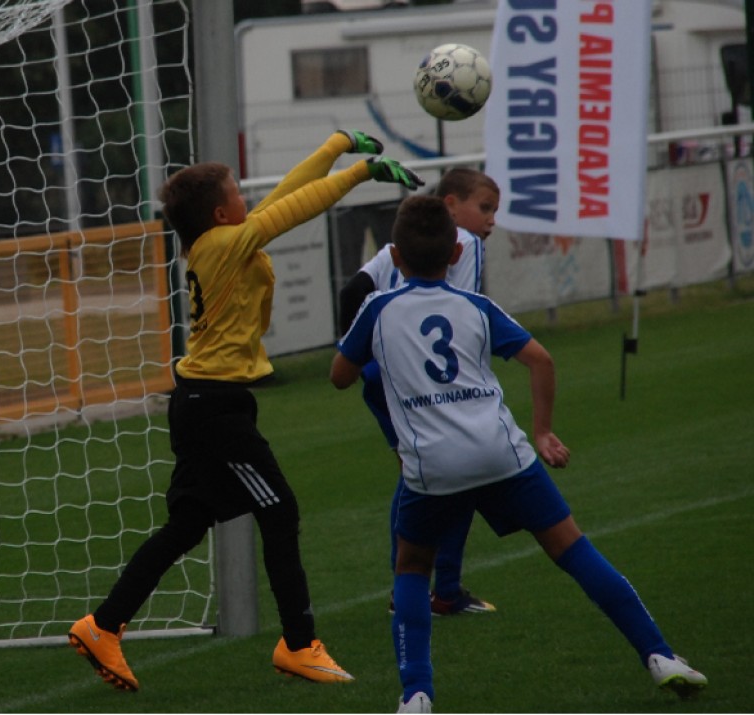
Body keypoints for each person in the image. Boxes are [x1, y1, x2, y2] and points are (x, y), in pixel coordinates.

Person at [67, 130, 422, 692]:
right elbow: (293, 209)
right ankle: (299, 644)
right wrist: (360, 173)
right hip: (214, 409)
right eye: (236, 192)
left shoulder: (220, 241)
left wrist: (335, 147)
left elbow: (284, 197)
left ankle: (102, 625)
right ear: (219, 212)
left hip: (206, 401)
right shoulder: (221, 245)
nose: (246, 198)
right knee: (279, 509)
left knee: (187, 525)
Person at [330, 195, 707, 713]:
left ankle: (416, 694)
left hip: (433, 465)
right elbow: (540, 359)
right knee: (573, 549)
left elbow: (340, 376)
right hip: (500, 452)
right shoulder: (476, 307)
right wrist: (544, 431)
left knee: (413, 567)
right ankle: (659, 655)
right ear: (455, 254)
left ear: (395, 257)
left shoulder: (378, 309)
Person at [338, 168, 500, 616]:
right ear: (451, 205)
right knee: (453, 475)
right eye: (485, 207)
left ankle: (425, 588)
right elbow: (458, 315)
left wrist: (362, 360)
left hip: (384, 375)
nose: (491, 219)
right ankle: (435, 590)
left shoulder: (399, 244)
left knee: (421, 475)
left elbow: (353, 291)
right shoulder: (465, 244)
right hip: (426, 380)